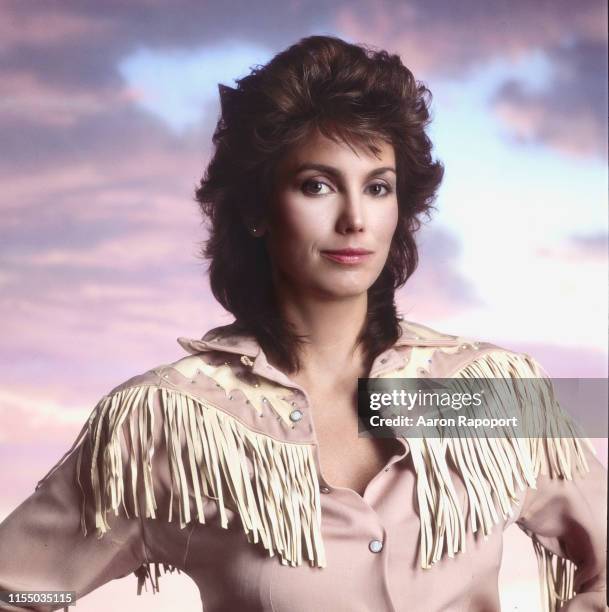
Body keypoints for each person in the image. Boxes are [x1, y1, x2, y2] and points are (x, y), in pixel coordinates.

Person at [0, 35, 606, 612]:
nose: (354, 220)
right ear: (260, 208)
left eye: (377, 188)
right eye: (316, 185)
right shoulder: (169, 422)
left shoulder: (488, 391)